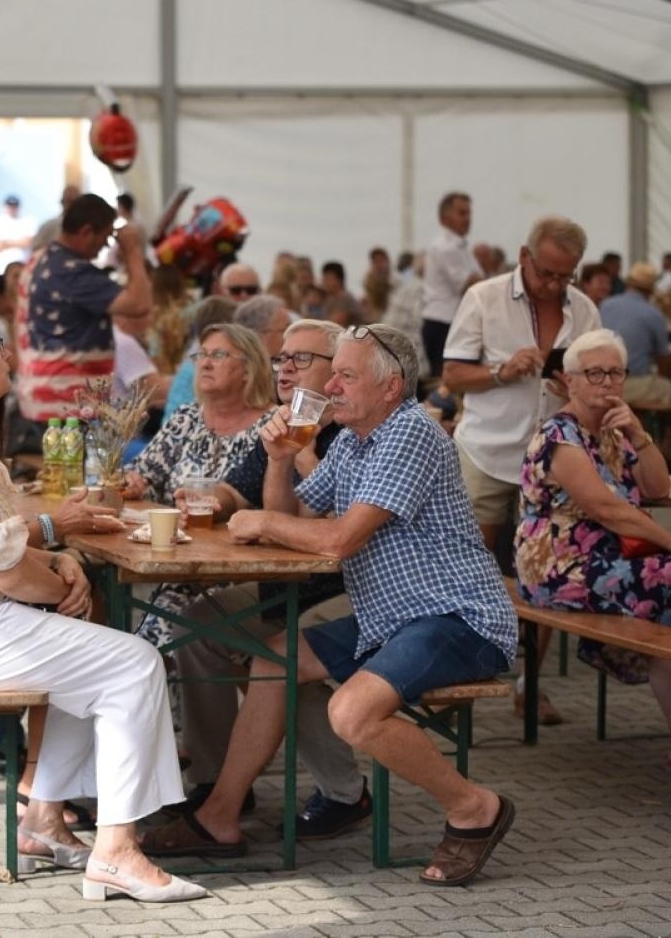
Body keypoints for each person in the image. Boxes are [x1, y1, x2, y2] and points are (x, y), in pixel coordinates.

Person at [142, 324, 518, 887]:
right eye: (333, 373)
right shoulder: (353, 439)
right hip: (389, 620)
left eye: (345, 375)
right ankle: (219, 816)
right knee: (273, 657)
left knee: (351, 713)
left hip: (457, 617)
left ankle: (474, 808)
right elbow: (295, 518)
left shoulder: (409, 431)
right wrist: (279, 459)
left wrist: (263, 520)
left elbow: (340, 540)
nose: (331, 386)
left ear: (390, 387)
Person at [0, 308, 203, 903]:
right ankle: (117, 852)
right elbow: (3, 569)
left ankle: (44, 819)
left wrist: (57, 561)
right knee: (133, 664)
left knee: (95, 661)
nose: (10, 354)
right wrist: (62, 587)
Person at [170, 319, 369, 836]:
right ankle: (213, 781)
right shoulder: (285, 422)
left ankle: (344, 794)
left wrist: (298, 452)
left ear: (338, 371)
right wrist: (211, 498)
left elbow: (324, 525)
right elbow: (247, 495)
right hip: (289, 584)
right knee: (197, 624)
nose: (285, 368)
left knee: (283, 656)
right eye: (282, 358)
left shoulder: (355, 429)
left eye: (301, 359)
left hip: (354, 589)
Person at [515, 329, 671, 775]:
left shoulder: (615, 431)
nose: (607, 383)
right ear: (569, 381)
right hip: (556, 562)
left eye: (616, 373)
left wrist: (638, 432)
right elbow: (605, 508)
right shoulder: (560, 435)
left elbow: (658, 486)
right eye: (595, 373)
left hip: (609, 556)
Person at [443, 216, 600, 725]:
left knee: (545, 572)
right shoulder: (483, 297)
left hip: (555, 459)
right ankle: (457, 678)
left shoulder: (585, 309)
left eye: (565, 275)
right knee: (468, 569)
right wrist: (501, 371)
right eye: (547, 273)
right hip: (487, 452)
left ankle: (528, 685)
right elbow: (451, 374)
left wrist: (579, 389)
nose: (555, 285)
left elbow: (601, 382)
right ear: (524, 257)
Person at [123, 323, 274, 646]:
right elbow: (143, 472)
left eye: (218, 355)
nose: (205, 363)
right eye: (201, 355)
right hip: (178, 561)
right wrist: (134, 483)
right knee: (147, 624)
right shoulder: (187, 418)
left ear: (249, 369)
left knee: (165, 623)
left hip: (238, 568)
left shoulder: (271, 427)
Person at [15, 193, 150, 421]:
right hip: (67, 407)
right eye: (105, 236)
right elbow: (140, 304)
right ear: (87, 232)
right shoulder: (73, 273)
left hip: (36, 394)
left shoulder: (37, 260)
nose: (106, 245)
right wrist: (133, 250)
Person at [600, 262, 671, 406]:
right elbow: (663, 361)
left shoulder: (605, 305)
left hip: (598, 382)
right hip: (629, 384)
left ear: (628, 283)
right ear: (651, 290)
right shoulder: (653, 314)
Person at [421, 192, 481, 377]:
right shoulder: (446, 247)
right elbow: (469, 284)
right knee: (447, 379)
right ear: (445, 218)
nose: (468, 219)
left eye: (468, 213)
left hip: (448, 321)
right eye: (462, 213)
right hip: (443, 322)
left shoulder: (460, 246)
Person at [0, 195, 35, 273]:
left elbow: (28, 242)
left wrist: (4, 243)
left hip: (22, 268)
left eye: (14, 206)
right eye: (10, 205)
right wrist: (18, 242)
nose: (12, 208)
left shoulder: (28, 221)